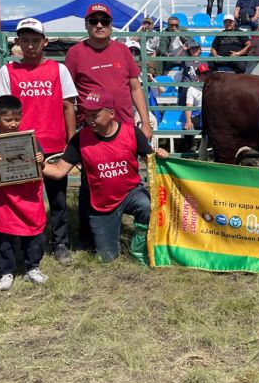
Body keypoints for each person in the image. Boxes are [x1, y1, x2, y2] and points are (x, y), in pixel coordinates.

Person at [43, 90, 168, 263]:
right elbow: (58, 171)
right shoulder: (80, 139)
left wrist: (160, 155)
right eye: (87, 115)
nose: (90, 120)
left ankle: (139, 247)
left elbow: (152, 163)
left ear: (111, 114)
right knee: (107, 258)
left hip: (131, 193)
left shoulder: (132, 132)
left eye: (95, 115)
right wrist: (34, 166)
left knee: (147, 206)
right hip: (101, 203)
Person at [0, 18, 77, 265]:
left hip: (54, 145)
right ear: (17, 42)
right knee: (23, 199)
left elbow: (68, 106)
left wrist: (71, 142)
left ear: (45, 41)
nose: (30, 46)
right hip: (20, 146)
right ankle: (24, 241)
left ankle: (60, 242)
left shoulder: (59, 69)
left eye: (35, 40)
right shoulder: (7, 71)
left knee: (58, 198)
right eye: (25, 40)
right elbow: (1, 110)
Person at [0, 95, 48, 291]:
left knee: (34, 235)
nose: (13, 124)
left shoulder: (29, 139)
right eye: (8, 119)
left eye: (17, 119)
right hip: (4, 201)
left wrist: (41, 160)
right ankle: (6, 272)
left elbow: (41, 167)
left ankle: (33, 267)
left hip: (29, 197)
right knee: (4, 238)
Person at [64, 3, 152, 140]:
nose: (99, 25)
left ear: (111, 25)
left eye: (104, 21)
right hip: (91, 127)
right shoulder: (75, 53)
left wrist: (145, 123)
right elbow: (68, 98)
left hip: (124, 125)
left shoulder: (123, 50)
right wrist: (71, 136)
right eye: (94, 21)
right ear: (86, 25)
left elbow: (136, 89)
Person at [182, 64, 209, 152]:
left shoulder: (213, 86)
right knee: (187, 128)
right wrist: (188, 121)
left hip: (210, 115)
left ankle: (214, 150)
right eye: (203, 74)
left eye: (207, 73)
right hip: (198, 114)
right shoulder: (192, 89)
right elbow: (188, 106)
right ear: (198, 75)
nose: (205, 76)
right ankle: (190, 151)